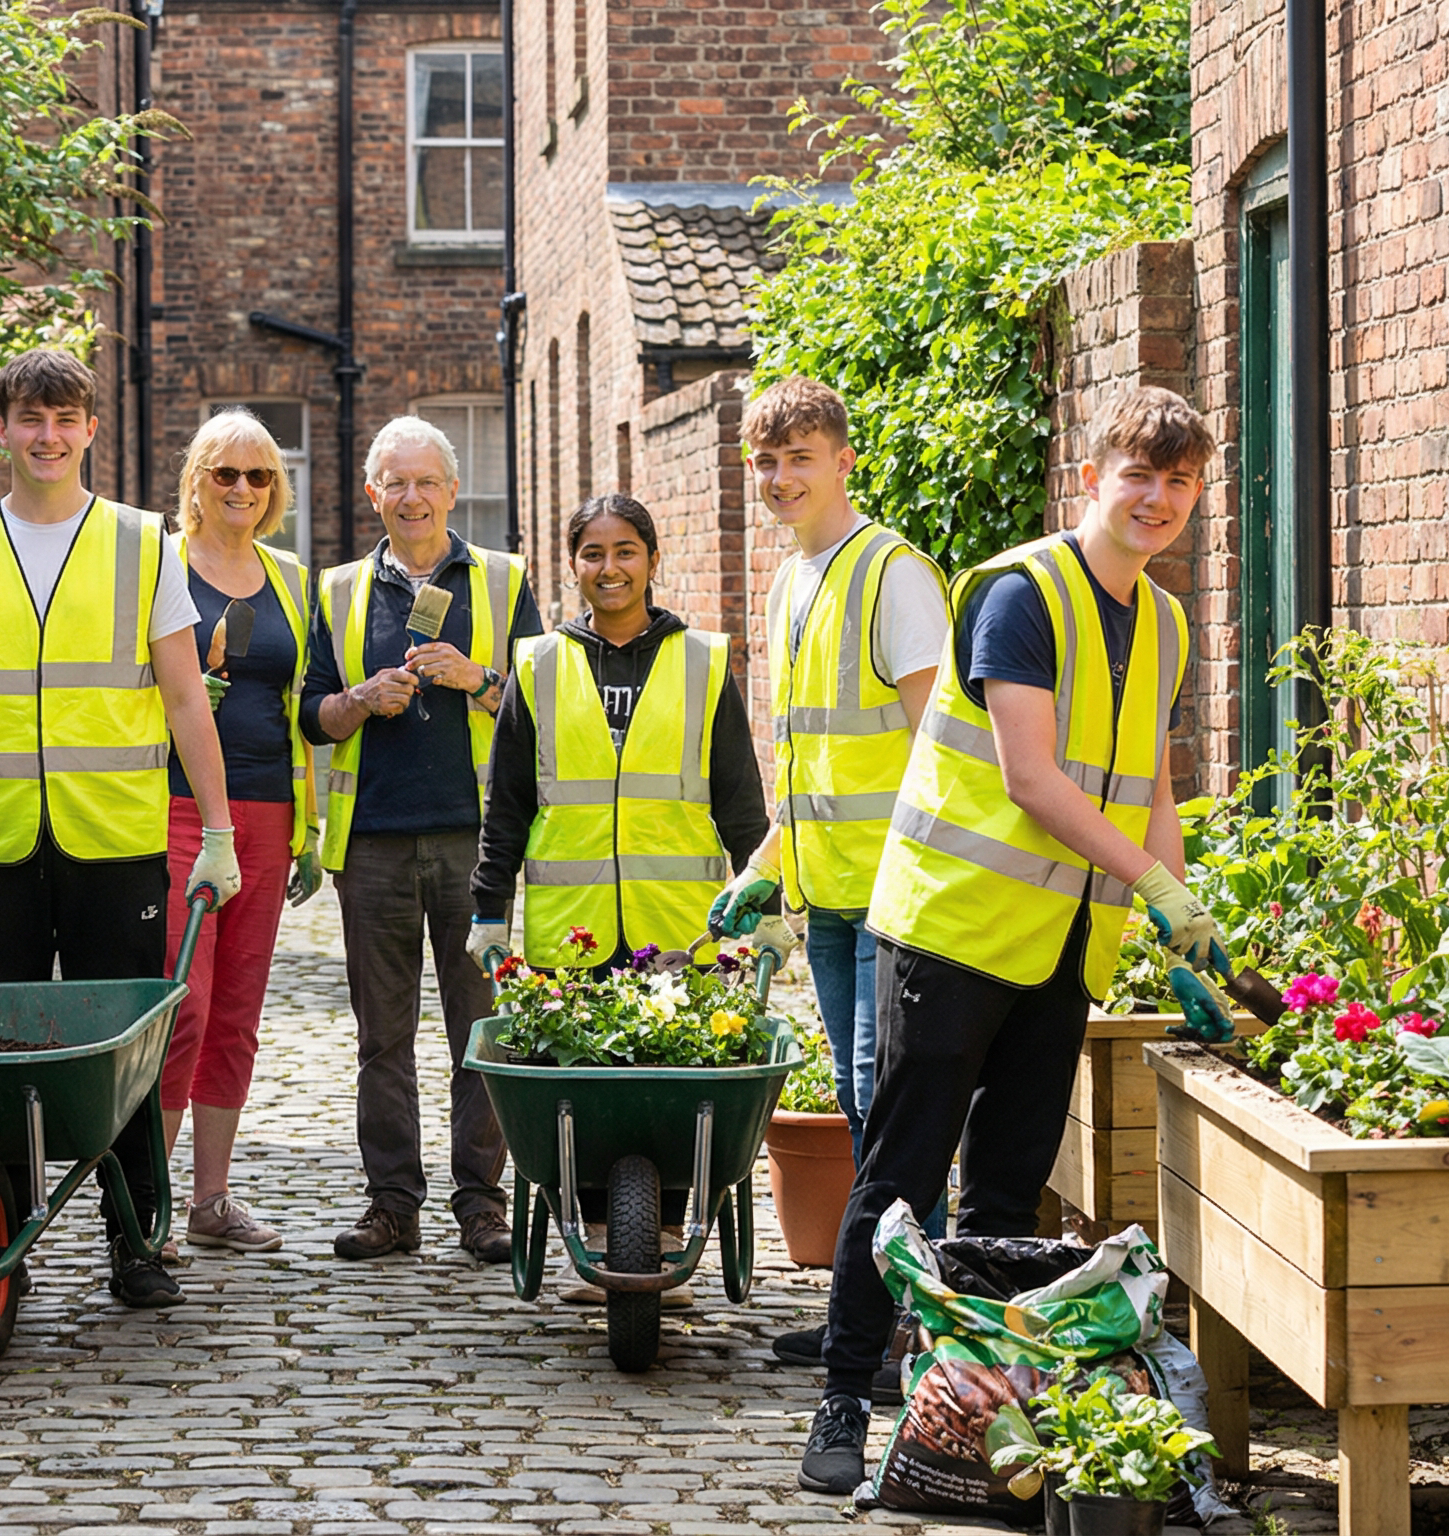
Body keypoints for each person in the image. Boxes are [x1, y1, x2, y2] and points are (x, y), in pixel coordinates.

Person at [798, 386, 1214, 1494]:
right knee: (898, 1174)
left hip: (1062, 946)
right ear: (1092, 479)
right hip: (952, 929)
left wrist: (1182, 925)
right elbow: (1031, 781)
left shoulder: (1163, 620)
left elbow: (1149, 789)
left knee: (1006, 1196)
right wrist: (1155, 888)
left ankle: (961, 1414)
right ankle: (844, 1394)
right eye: (1139, 476)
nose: (1158, 499)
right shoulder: (1021, 596)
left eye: (1179, 483)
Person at [0, 348, 241, 1311]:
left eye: (65, 418)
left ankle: (138, 1243)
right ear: (0, 428)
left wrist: (217, 830)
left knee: (121, 1051)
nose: (48, 436)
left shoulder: (139, 544)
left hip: (114, 843)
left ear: (91, 429)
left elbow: (182, 698)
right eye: (29, 418)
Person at [715, 377, 949, 1373]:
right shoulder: (789, 582)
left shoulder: (890, 572)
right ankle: (868, 1313)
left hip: (895, 900)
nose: (778, 478)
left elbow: (938, 743)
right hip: (829, 897)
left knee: (888, 1109)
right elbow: (811, 763)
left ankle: (916, 1324)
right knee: (864, 1110)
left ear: (844, 459)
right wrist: (766, 866)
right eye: (764, 462)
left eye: (798, 458)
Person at [302, 415, 541, 1264]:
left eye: (426, 481)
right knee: (382, 1038)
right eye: (394, 484)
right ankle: (392, 1205)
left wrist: (478, 680)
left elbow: (546, 711)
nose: (411, 497)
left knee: (483, 1032)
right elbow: (313, 715)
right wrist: (362, 699)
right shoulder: (334, 591)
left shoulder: (506, 583)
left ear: (450, 489)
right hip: (371, 845)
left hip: (478, 848)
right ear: (373, 494)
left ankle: (482, 1204)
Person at [468, 494, 783, 975]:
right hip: (570, 940)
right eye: (592, 554)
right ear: (572, 566)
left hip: (681, 934)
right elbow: (507, 808)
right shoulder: (537, 666)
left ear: (653, 560)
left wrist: (769, 908)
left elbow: (740, 804)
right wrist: (490, 912)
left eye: (626, 551)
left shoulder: (702, 662)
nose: (609, 567)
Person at [156, 412, 320, 1255]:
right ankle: (151, 1203)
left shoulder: (291, 577)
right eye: (227, 474)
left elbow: (309, 700)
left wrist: (312, 829)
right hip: (178, 807)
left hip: (268, 811)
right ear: (196, 480)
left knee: (238, 1012)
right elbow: (127, 684)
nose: (244, 490)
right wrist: (185, 694)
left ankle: (210, 1201)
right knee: (182, 1006)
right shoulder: (162, 565)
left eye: (260, 477)